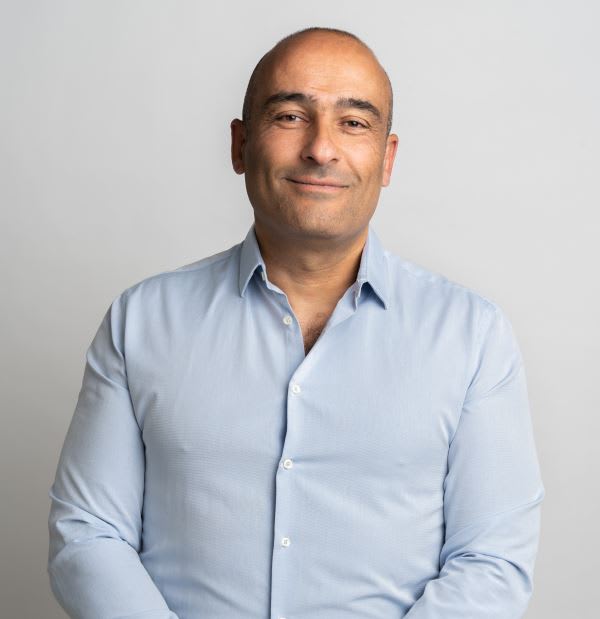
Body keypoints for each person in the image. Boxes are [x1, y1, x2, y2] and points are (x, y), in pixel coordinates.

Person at [47, 26, 545, 619]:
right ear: (240, 145)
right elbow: (89, 534)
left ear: (387, 158)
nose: (321, 149)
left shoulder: (472, 336)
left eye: (353, 122)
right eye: (289, 116)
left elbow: (491, 561)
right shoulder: (141, 321)